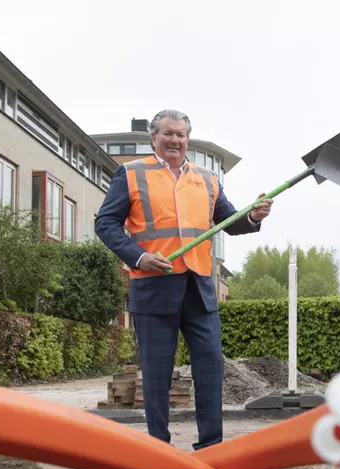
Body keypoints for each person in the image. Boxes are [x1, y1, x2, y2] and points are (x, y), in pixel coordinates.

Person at [95, 109, 273, 450]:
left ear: (187, 139)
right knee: (157, 377)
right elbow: (105, 224)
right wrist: (139, 256)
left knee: (210, 370)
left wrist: (250, 216)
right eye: (168, 134)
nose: (175, 140)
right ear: (154, 138)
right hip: (153, 286)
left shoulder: (206, 179)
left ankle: (211, 449)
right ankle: (160, 451)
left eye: (181, 135)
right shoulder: (130, 174)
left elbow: (228, 221)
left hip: (200, 289)